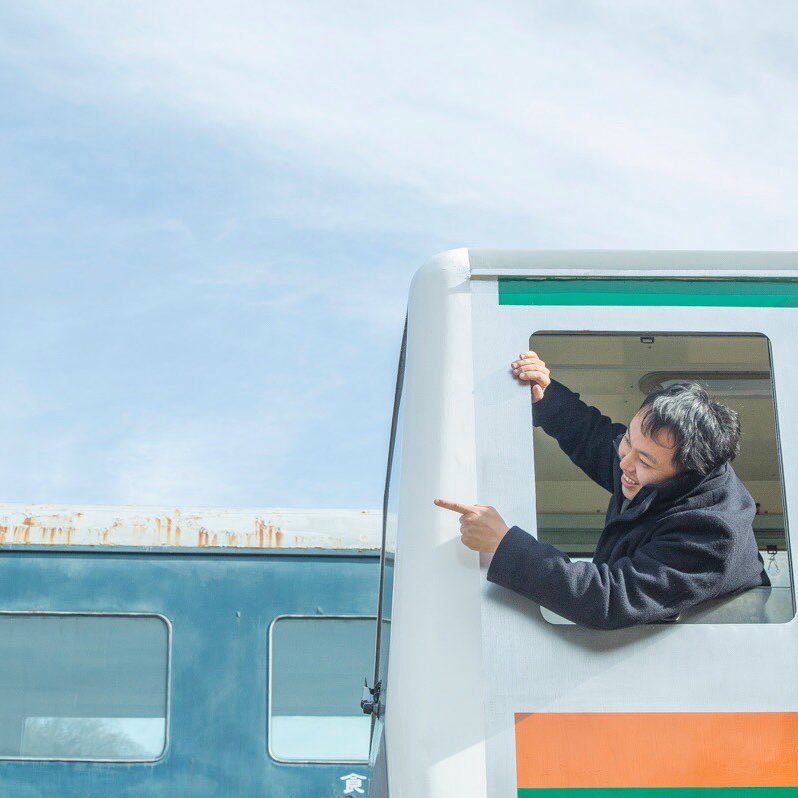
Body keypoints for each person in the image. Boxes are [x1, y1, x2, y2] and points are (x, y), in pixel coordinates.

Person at [435, 350, 770, 629]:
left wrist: (504, 543)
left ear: (688, 472)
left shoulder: (711, 533)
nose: (624, 464)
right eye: (628, 442)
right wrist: (547, 395)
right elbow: (594, 439)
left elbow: (609, 599)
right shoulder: (655, 468)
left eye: (645, 462)